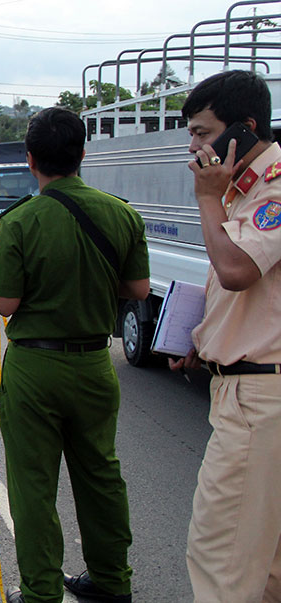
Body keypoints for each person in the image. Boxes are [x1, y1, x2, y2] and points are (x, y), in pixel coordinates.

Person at [0, 107, 150, 603]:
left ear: (31, 160)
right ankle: (112, 582)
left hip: (36, 368)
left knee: (33, 486)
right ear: (82, 155)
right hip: (96, 365)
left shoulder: (21, 221)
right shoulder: (121, 213)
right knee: (100, 474)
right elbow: (138, 288)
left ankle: (40, 593)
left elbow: (5, 303)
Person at [166, 70, 281, 603]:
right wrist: (205, 338)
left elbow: (237, 269)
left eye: (203, 132)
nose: (193, 146)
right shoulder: (245, 187)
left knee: (221, 560)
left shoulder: (273, 186)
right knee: (265, 570)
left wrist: (207, 199)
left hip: (259, 399)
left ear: (246, 126)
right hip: (248, 384)